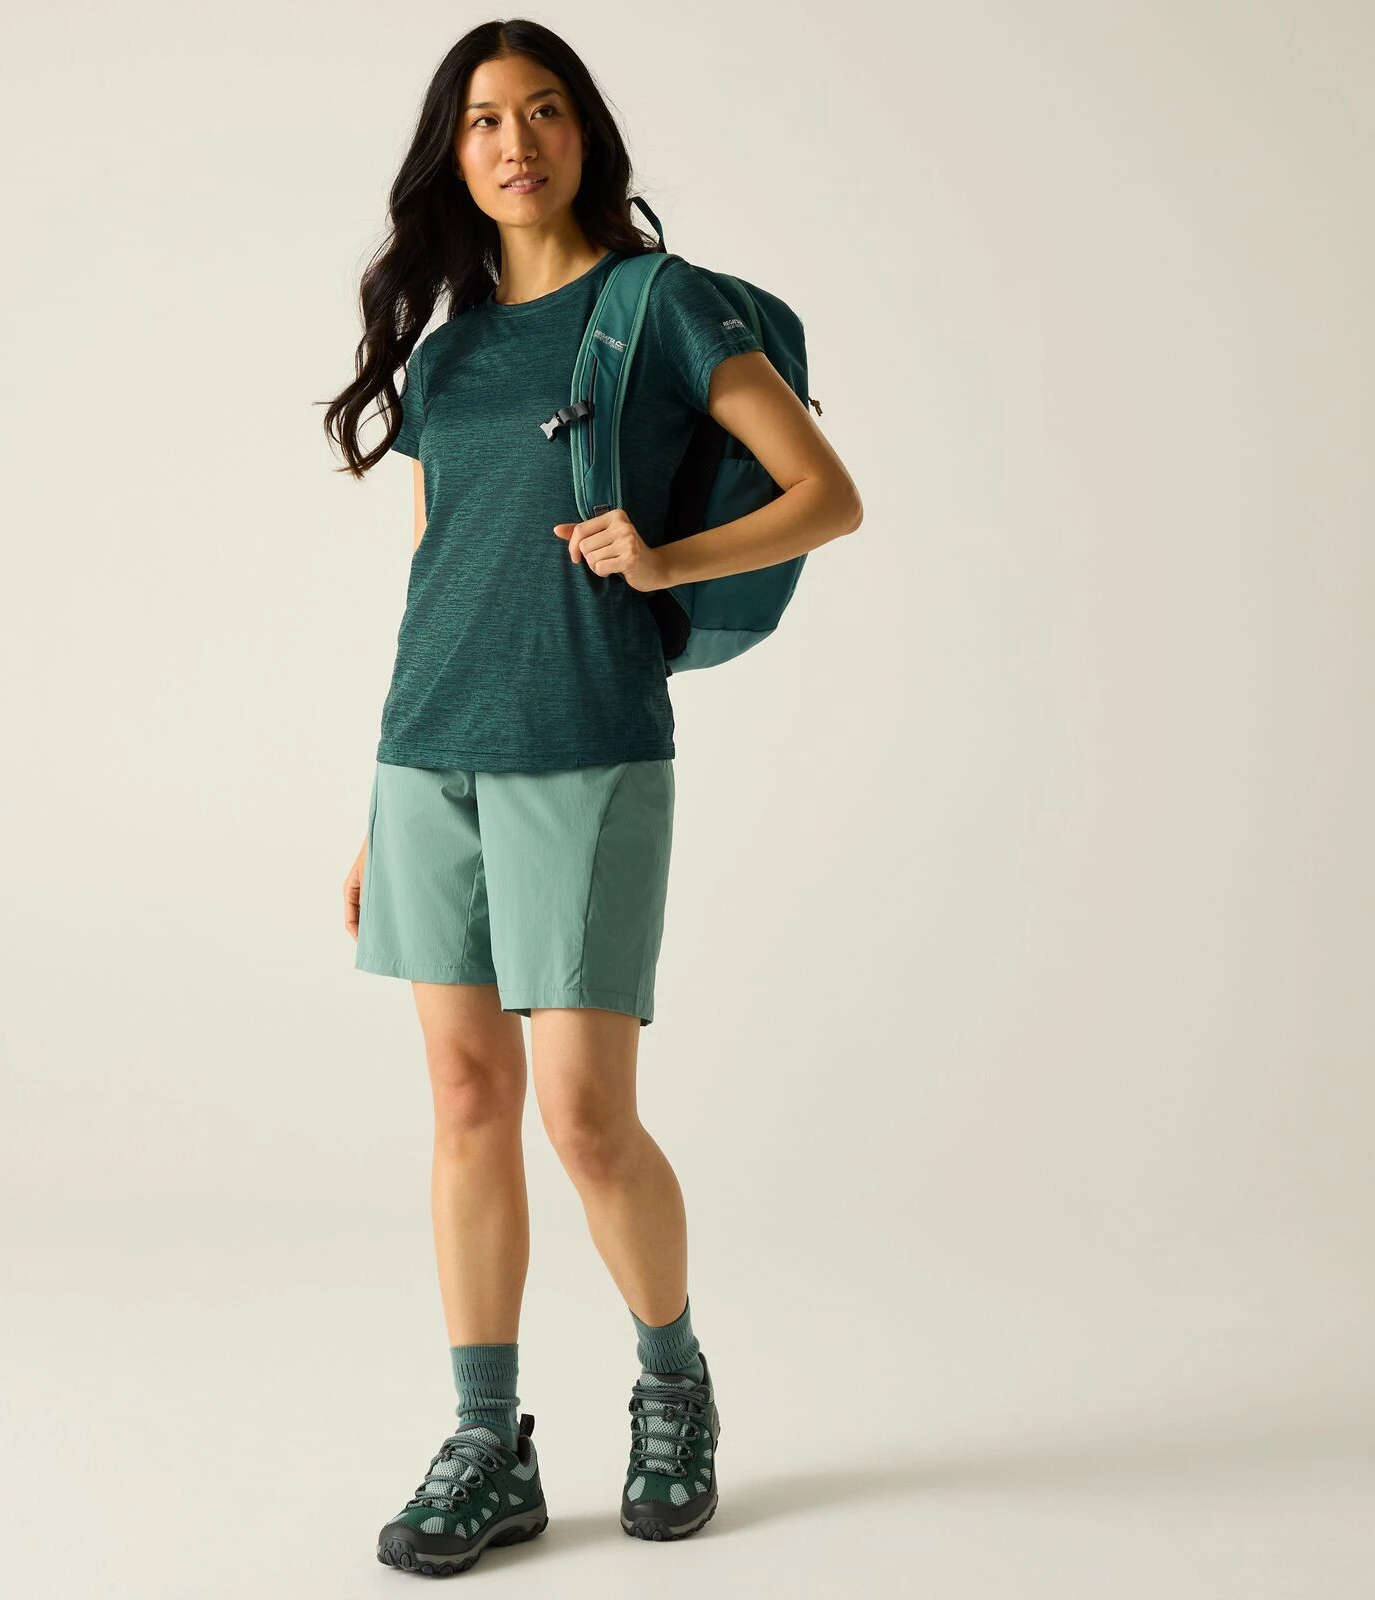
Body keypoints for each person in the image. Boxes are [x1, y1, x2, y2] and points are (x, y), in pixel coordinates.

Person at [321, 17, 861, 1576]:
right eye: (486, 119)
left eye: (545, 110)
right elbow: (436, 574)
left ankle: (672, 1386)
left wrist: (666, 557)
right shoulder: (449, 354)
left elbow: (827, 492)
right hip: (428, 754)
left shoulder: (659, 305)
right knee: (465, 1103)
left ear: (584, 134)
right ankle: (486, 1443)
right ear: (453, 155)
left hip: (587, 744)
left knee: (583, 1115)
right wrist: (374, 806)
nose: (517, 141)